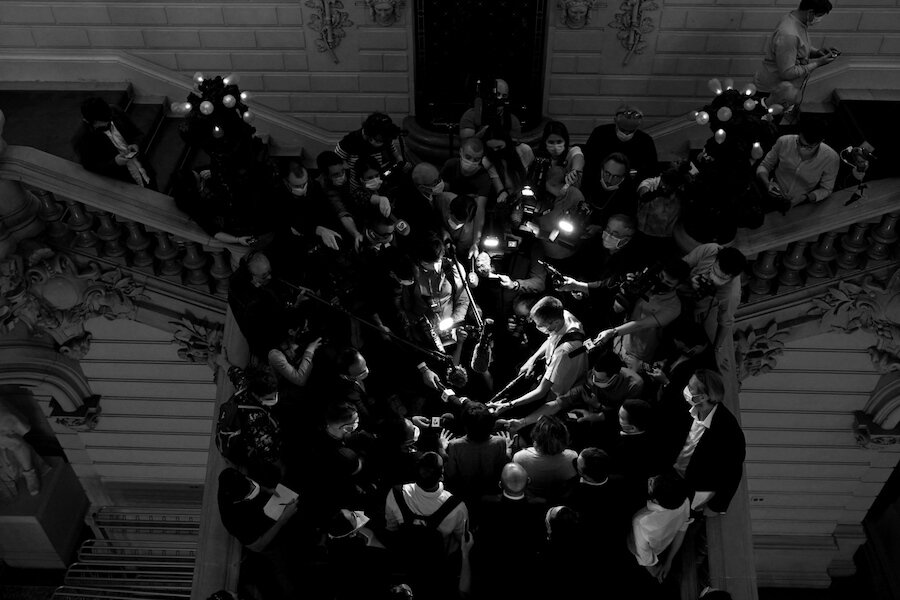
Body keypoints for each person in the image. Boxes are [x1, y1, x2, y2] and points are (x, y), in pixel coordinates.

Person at [491, 296, 587, 416]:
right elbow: (552, 339)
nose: (538, 328)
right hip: (557, 369)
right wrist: (533, 359)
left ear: (555, 322)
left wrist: (509, 405)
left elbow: (541, 391)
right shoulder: (564, 316)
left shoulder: (563, 352)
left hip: (558, 391)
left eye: (540, 325)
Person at [592, 257, 689, 370]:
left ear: (678, 286)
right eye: (661, 277)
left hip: (637, 356)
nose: (661, 282)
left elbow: (640, 324)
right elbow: (618, 309)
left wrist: (613, 332)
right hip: (618, 342)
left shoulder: (674, 306)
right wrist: (626, 288)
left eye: (668, 283)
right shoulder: (647, 284)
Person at [673, 369, 746, 515]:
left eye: (691, 388)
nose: (686, 389)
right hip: (672, 475)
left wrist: (716, 506)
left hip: (693, 487)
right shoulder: (685, 407)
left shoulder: (728, 430)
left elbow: (733, 473)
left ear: (703, 397)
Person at [754, 0, 839, 108]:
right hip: (772, 93)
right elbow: (787, 73)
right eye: (820, 16)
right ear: (810, 12)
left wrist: (816, 52)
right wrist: (817, 64)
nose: (819, 20)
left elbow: (797, 49)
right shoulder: (789, 34)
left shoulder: (794, 19)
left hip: (781, 90)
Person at [384, 451, 469, 555]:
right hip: (439, 563)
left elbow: (391, 528)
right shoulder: (457, 507)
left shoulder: (395, 494)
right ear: (441, 476)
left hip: (405, 558)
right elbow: (463, 540)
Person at [679, 245, 746, 367]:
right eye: (714, 271)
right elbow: (682, 264)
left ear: (731, 277)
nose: (713, 278)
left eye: (721, 278)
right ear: (716, 259)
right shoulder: (710, 250)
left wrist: (716, 349)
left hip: (692, 308)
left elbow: (725, 322)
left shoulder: (731, 294)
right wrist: (690, 279)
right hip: (679, 287)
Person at [756, 114, 839, 213]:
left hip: (802, 204)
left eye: (809, 147)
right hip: (772, 196)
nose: (802, 149)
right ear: (799, 133)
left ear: (821, 141)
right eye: (800, 143)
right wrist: (767, 183)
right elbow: (764, 165)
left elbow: (826, 189)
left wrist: (805, 198)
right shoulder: (784, 141)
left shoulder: (831, 158)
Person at [72, 97, 153, 188]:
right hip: (124, 183)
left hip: (144, 169)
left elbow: (138, 134)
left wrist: (136, 144)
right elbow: (91, 166)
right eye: (103, 121)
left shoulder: (114, 111)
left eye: (109, 120)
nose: (107, 123)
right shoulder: (82, 139)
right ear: (88, 121)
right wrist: (115, 163)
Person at [440, 401, 510, 505]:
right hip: (492, 494)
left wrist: (442, 448)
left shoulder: (454, 445)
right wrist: (508, 450)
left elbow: (450, 474)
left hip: (465, 496)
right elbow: (502, 469)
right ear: (491, 425)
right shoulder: (500, 442)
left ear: (465, 426)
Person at [628, 473, 692, 582]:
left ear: (656, 500)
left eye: (652, 483)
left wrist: (654, 571)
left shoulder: (640, 522)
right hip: (662, 547)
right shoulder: (684, 501)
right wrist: (669, 561)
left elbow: (645, 558)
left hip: (643, 550)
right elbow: (682, 529)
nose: (650, 479)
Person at [583, 104, 658, 194]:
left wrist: (643, 186)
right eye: (622, 130)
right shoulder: (600, 134)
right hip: (597, 186)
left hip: (629, 191)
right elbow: (589, 163)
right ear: (615, 122)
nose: (626, 134)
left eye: (630, 131)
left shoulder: (645, 141)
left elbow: (651, 171)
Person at [335, 112, 406, 194]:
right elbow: (337, 165)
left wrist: (401, 164)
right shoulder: (349, 142)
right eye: (378, 140)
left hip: (383, 183)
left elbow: (397, 156)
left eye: (384, 140)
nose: (382, 143)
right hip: (358, 190)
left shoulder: (386, 138)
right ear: (368, 134)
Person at [512, 415, 578, 501]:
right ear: (565, 437)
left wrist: (509, 450)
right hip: (558, 497)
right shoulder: (573, 456)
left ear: (536, 439)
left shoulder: (520, 457)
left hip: (531, 496)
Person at [533, 120, 585, 189]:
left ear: (565, 141)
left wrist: (574, 171)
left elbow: (578, 157)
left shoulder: (572, 151)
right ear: (545, 142)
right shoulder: (538, 155)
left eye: (559, 142)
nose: (555, 147)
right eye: (551, 142)